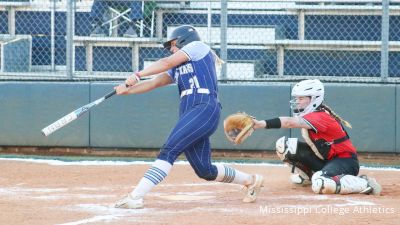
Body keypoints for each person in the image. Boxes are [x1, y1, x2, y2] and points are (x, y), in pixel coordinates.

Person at [113, 25, 264, 209]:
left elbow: (166, 62)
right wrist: (126, 91)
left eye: (173, 45)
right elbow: (155, 82)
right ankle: (251, 180)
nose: (171, 49)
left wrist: (137, 75)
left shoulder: (198, 47)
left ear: (184, 40)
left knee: (169, 151)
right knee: (205, 170)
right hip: (190, 111)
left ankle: (135, 197)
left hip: (203, 107)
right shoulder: (177, 67)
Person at [251, 79, 381, 195]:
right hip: (327, 160)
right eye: (297, 98)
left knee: (321, 183)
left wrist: (260, 124)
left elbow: (288, 122)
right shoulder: (314, 113)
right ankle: (308, 176)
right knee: (284, 145)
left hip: (346, 162)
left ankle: (364, 183)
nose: (297, 102)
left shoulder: (320, 116)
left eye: (301, 98)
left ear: (314, 99)